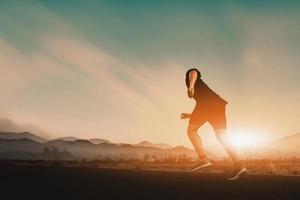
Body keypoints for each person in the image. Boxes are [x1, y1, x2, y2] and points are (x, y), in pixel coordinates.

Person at [180, 68, 247, 180]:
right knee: (222, 136)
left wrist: (191, 86)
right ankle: (239, 164)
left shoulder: (191, 76)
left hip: (206, 104)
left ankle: (203, 159)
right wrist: (190, 115)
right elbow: (205, 112)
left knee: (191, 131)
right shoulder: (202, 89)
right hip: (218, 105)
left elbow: (193, 72)